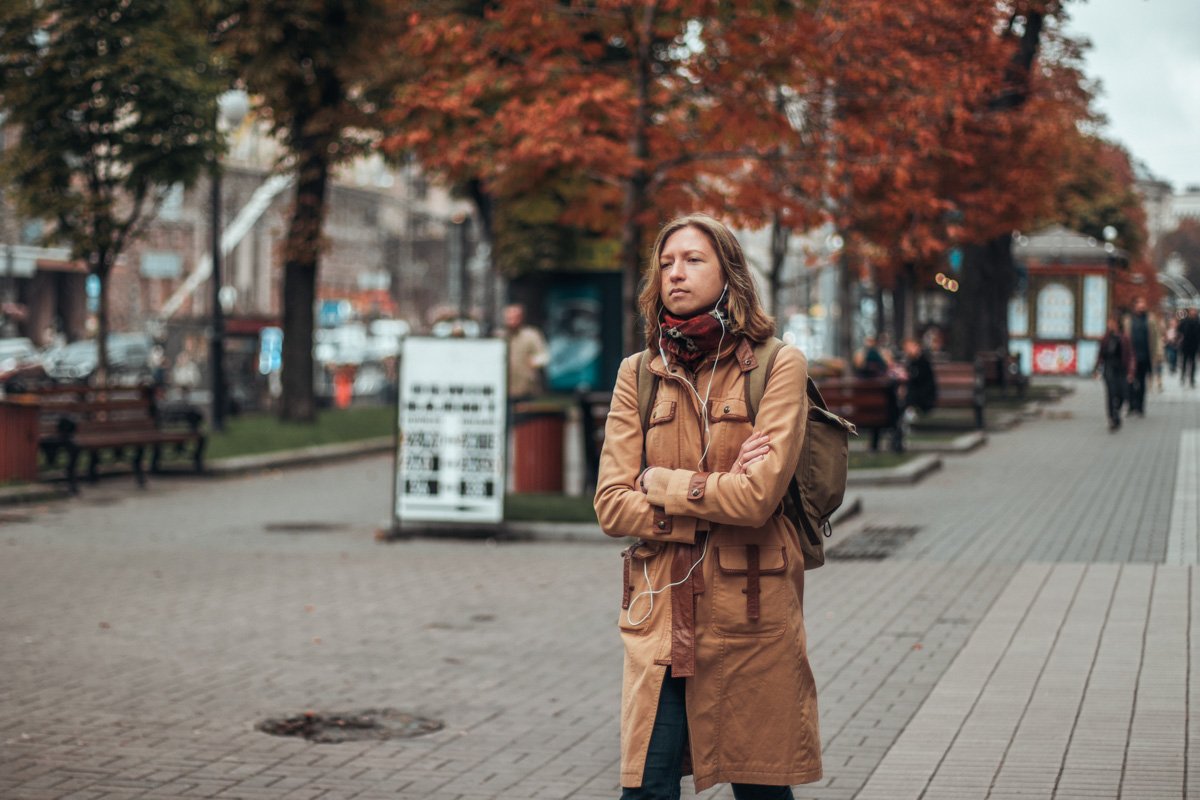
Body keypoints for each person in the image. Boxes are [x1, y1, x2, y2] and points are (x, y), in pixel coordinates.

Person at [594, 214, 821, 799]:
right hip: (661, 610)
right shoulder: (639, 374)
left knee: (761, 788)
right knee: (645, 787)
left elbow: (758, 498)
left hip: (750, 609)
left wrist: (659, 482)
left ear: (729, 274)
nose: (676, 273)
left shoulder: (778, 365)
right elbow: (612, 505)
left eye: (693, 260)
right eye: (666, 263)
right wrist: (714, 493)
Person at [1094, 315, 1134, 431]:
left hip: (1121, 369)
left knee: (1122, 394)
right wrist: (1096, 369)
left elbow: (1130, 355)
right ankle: (1113, 417)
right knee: (1111, 394)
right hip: (1109, 369)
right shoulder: (1106, 338)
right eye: (1109, 322)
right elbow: (1100, 354)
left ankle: (1117, 410)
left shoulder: (1124, 337)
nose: (1110, 325)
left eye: (1113, 322)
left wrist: (1130, 371)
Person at [503, 303, 549, 402]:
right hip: (504, 389)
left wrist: (535, 362)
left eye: (515, 317)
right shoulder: (500, 337)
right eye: (509, 317)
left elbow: (544, 356)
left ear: (521, 317)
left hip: (527, 390)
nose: (511, 320)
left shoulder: (531, 335)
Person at [1124, 297, 1159, 415]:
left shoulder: (1150, 320)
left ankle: (1140, 406)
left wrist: (1157, 353)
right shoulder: (1128, 320)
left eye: (1143, 304)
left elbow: (1155, 337)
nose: (1141, 306)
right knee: (1130, 381)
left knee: (1142, 381)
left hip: (1144, 355)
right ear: (1134, 306)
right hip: (1131, 356)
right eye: (1139, 303)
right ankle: (1131, 405)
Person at [901, 336, 938, 418]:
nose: (906, 350)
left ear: (916, 346)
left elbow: (919, 379)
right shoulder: (912, 361)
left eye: (908, 347)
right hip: (917, 393)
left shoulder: (923, 360)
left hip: (924, 395)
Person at [1178, 307, 1200, 389]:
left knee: (1193, 363)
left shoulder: (1197, 322)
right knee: (1184, 361)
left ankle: (1191, 379)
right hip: (1185, 345)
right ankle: (1183, 376)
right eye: (1192, 311)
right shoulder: (1185, 321)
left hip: (1194, 345)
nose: (1193, 312)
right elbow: (1179, 330)